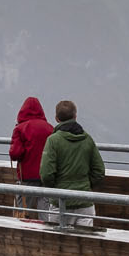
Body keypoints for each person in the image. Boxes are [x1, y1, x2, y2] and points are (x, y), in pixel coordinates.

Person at [39, 99, 105, 231]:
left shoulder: (53, 141)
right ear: (75, 116)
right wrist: (85, 185)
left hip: (60, 202)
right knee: (84, 244)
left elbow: (46, 174)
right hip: (85, 202)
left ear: (56, 119)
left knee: (58, 244)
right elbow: (99, 171)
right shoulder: (87, 139)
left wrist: (56, 189)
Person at [8, 97, 54, 220]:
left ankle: (20, 235)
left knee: (22, 212)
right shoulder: (50, 128)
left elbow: (15, 154)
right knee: (45, 211)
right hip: (46, 176)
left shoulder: (20, 128)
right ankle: (45, 234)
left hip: (26, 176)